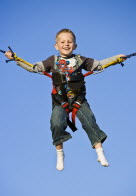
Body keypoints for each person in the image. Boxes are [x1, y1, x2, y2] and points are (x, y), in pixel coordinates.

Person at [5, 28, 126, 171]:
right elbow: (33, 68)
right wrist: (16, 58)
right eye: (62, 42)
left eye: (70, 42)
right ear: (56, 46)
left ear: (75, 46)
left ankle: (100, 153)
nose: (66, 44)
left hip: (78, 99)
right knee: (56, 123)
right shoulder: (52, 60)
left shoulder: (81, 60)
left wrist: (116, 58)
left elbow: (99, 65)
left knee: (90, 122)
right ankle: (60, 154)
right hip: (59, 100)